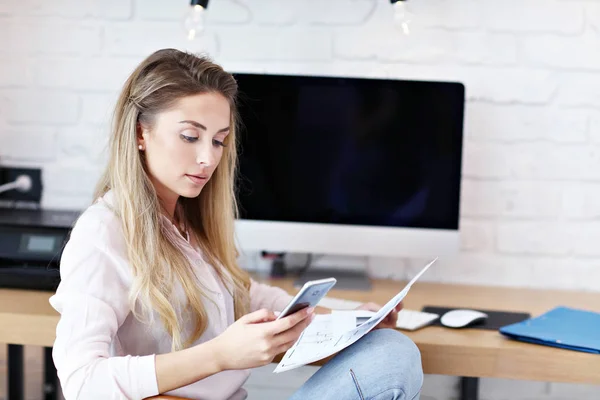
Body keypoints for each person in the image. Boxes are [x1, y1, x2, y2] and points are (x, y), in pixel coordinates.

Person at [49, 48, 424, 400]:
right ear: (140, 133)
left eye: (218, 141)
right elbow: (82, 380)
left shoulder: (186, 221)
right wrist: (220, 355)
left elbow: (247, 297)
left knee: (386, 347)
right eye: (191, 136)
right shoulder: (104, 232)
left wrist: (355, 320)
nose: (207, 158)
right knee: (391, 362)